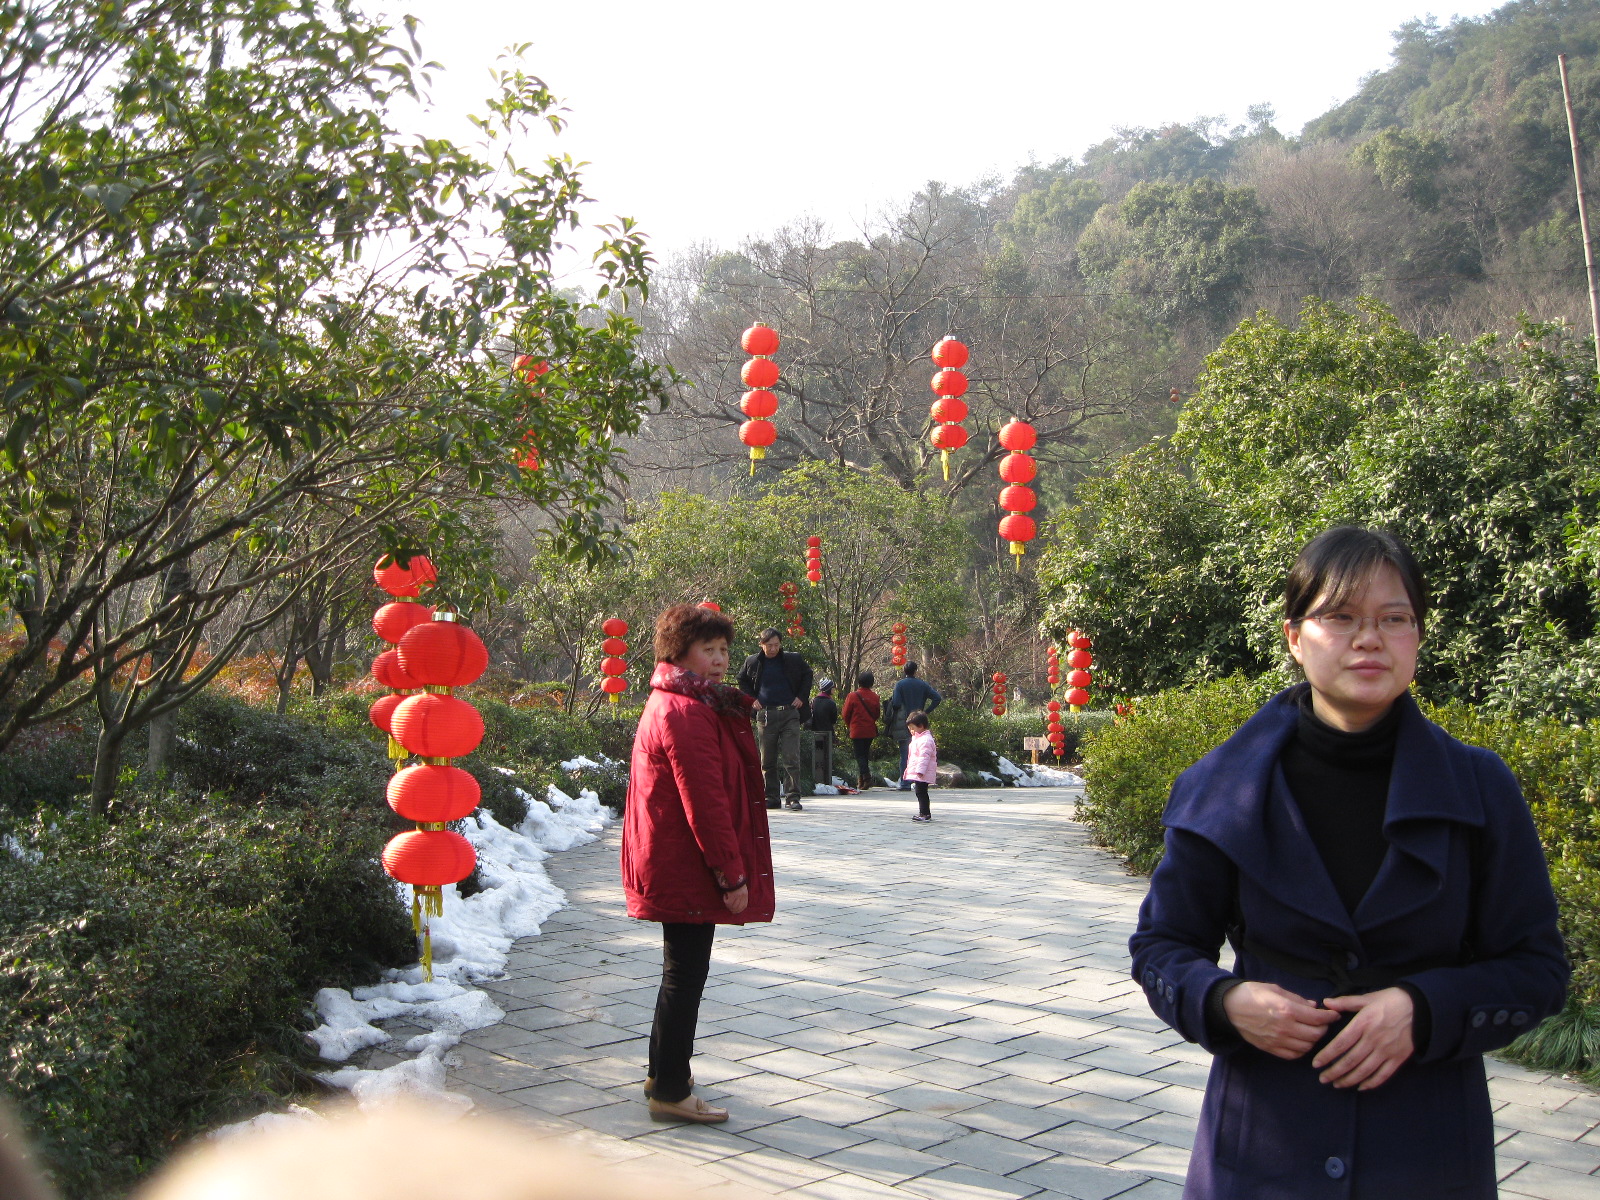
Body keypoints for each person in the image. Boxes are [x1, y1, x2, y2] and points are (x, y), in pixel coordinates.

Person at [1129, 526, 1568, 1198]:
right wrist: (1224, 1000)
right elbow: (1161, 946)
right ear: (1294, 637)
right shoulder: (1224, 787)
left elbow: (1537, 968)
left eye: (1394, 619)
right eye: (1340, 617)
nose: (1369, 639)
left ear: (1417, 636)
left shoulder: (1478, 789)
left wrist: (1425, 1009)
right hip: (1262, 1145)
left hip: (1426, 1150)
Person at [622, 604, 775, 1124]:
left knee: (680, 972)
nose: (719, 660)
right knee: (685, 976)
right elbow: (705, 802)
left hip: (674, 858)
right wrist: (731, 876)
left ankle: (664, 1075)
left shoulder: (682, 701)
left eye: (724, 649)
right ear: (679, 653)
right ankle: (670, 1089)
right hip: (684, 862)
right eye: (707, 650)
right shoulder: (685, 711)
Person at [736, 628, 813, 812]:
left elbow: (807, 674)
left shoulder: (793, 659)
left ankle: (792, 797)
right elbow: (742, 680)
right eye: (769, 645)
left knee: (791, 757)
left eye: (776, 645)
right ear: (761, 645)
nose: (773, 649)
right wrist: (751, 699)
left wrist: (801, 696)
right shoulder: (752, 661)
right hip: (765, 714)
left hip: (789, 713)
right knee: (767, 759)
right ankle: (771, 797)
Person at [884, 661, 941, 791]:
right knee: (920, 753)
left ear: (904, 671)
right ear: (915, 670)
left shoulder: (900, 684)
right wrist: (925, 712)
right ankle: (918, 781)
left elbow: (896, 703)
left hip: (905, 723)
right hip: (919, 723)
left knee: (905, 753)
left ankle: (905, 783)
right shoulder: (923, 684)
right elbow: (937, 698)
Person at [841, 670, 882, 789]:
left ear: (859, 681)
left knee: (859, 756)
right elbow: (877, 714)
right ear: (871, 683)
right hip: (870, 730)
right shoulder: (875, 696)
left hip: (857, 729)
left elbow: (845, 714)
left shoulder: (852, 696)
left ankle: (867, 779)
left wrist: (850, 725)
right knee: (864, 755)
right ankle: (861, 781)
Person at [901, 710, 937, 823]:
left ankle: (925, 813)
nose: (911, 731)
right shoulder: (918, 739)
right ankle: (924, 813)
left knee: (921, 793)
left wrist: (920, 771)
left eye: (912, 728)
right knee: (920, 792)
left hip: (922, 772)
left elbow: (924, 757)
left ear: (921, 726)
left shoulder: (925, 740)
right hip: (920, 772)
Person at [808, 677, 838, 790]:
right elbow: (834, 720)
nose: (834, 690)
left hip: (814, 733)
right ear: (828, 689)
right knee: (826, 756)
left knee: (816, 756)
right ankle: (826, 778)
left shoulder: (814, 701)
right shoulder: (831, 703)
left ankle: (816, 777)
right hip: (828, 734)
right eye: (832, 688)